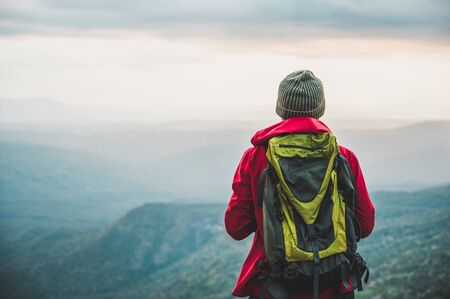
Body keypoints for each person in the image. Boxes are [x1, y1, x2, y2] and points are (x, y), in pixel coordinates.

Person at [224, 70, 375, 299]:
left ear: (281, 108)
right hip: (334, 286)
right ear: (320, 108)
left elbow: (236, 227)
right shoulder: (343, 158)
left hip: (276, 287)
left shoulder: (256, 158)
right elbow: (365, 224)